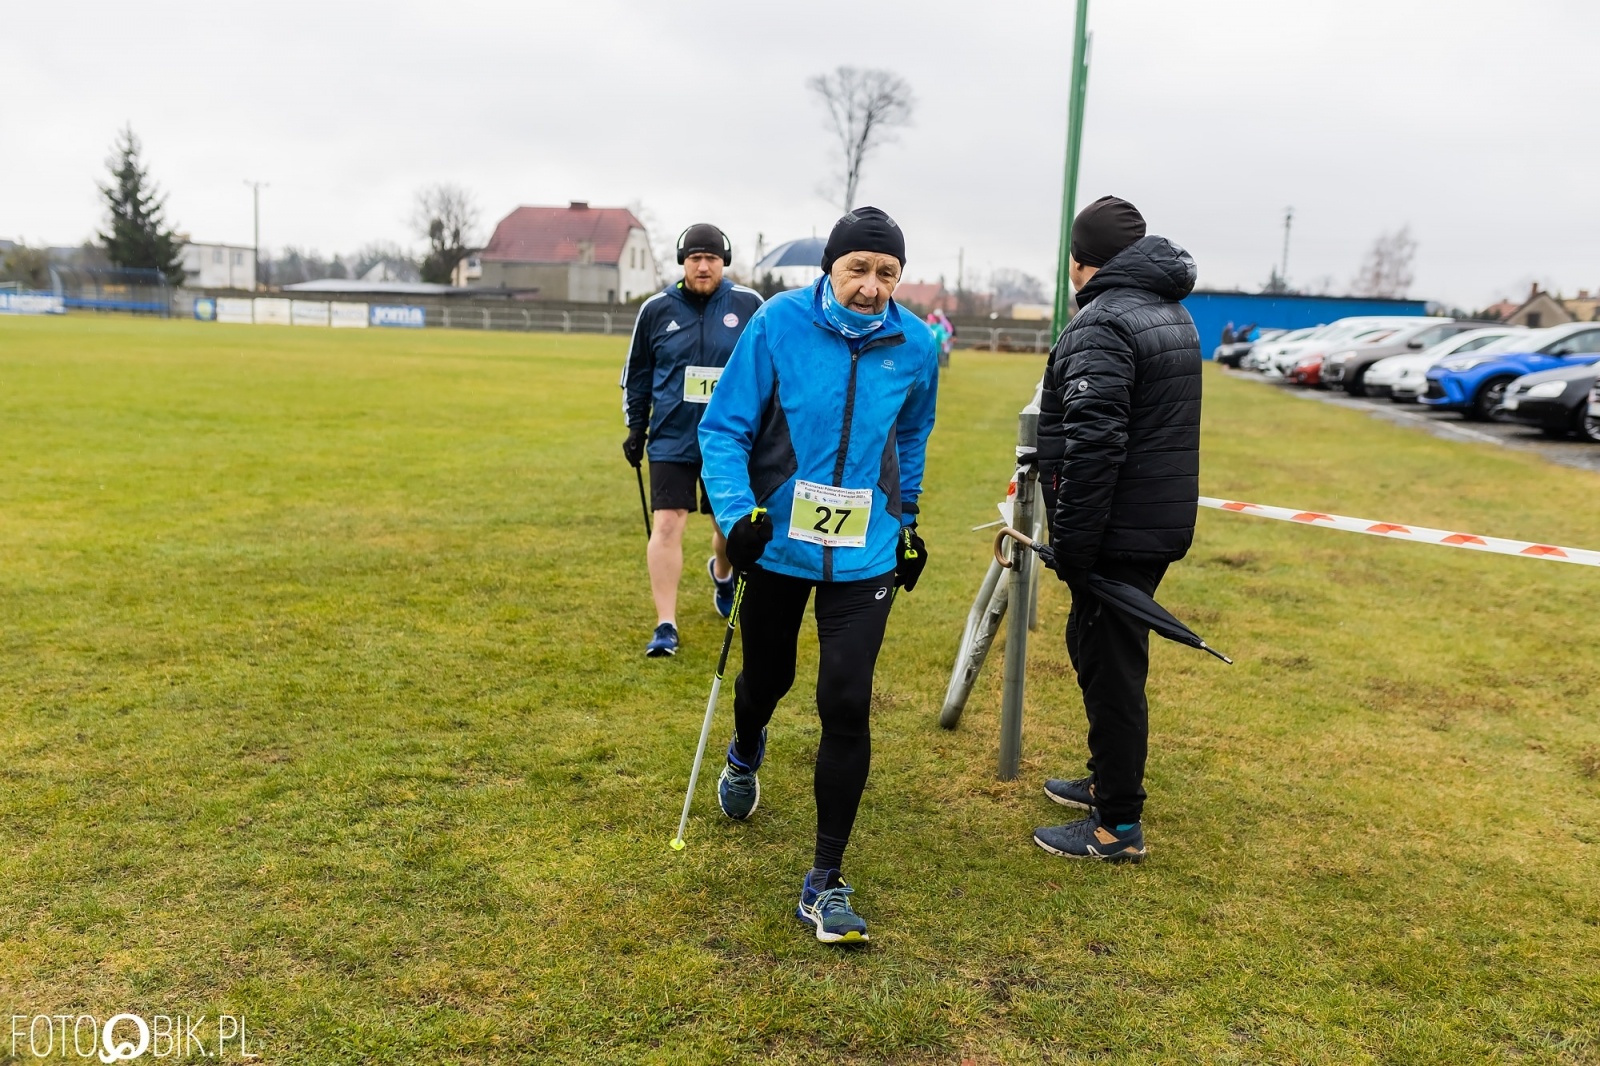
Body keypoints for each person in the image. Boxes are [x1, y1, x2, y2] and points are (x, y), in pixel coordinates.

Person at [698, 206, 939, 943]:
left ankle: (824, 881)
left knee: (846, 700)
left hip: (863, 554)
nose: (872, 286)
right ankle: (745, 749)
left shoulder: (918, 344)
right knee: (767, 678)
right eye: (858, 270)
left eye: (887, 272)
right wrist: (738, 514)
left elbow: (912, 434)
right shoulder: (776, 325)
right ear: (830, 270)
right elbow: (725, 427)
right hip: (775, 544)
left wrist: (907, 520)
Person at [1032, 194, 1202, 862]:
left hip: (1115, 531)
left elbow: (1094, 444)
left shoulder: (1105, 322)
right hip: (1148, 522)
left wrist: (1073, 545)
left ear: (1081, 261)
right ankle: (1107, 779)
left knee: (1111, 669)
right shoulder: (1169, 308)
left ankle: (1116, 824)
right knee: (1099, 651)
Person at [620, 224, 764, 657]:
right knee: (667, 525)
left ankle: (722, 572)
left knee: (728, 529)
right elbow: (638, 375)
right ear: (683, 262)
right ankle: (665, 625)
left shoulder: (750, 305)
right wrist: (635, 429)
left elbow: (766, 372)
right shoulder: (656, 309)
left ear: (724, 262)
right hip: (671, 439)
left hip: (731, 441)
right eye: (695, 258)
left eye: (712, 258)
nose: (703, 266)